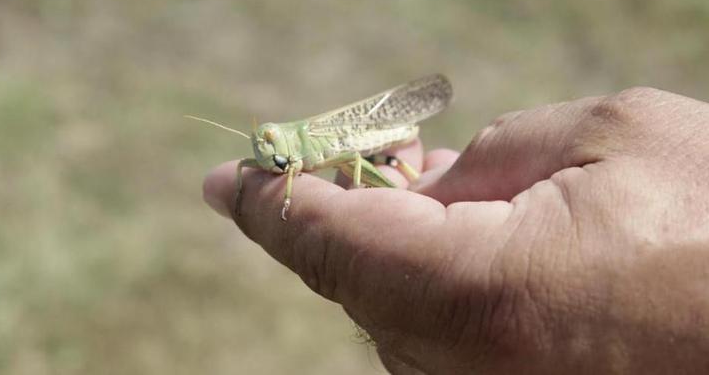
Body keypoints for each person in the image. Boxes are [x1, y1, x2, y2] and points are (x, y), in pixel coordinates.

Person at [203, 87, 709, 374]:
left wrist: (290, 189)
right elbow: (258, 166)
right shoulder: (264, 158)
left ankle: (391, 186)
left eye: (270, 144)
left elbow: (340, 157)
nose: (267, 154)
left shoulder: (303, 144)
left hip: (363, 138)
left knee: (357, 165)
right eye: (262, 147)